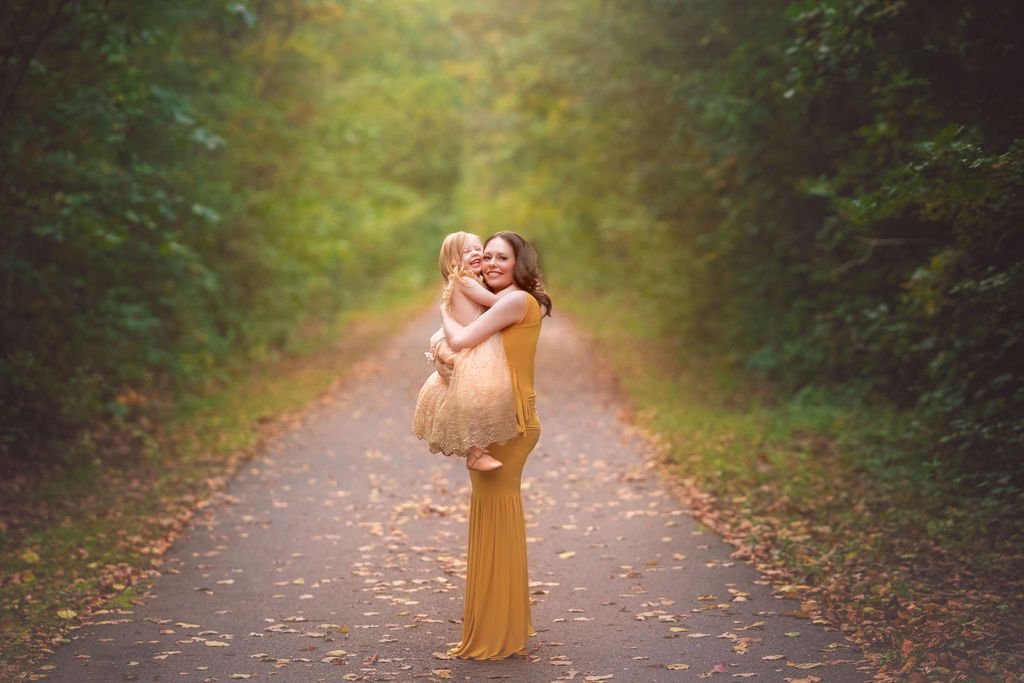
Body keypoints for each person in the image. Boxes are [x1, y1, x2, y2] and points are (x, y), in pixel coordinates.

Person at [439, 231, 552, 660]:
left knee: (499, 521)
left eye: (501, 257)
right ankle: (497, 627)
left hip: (512, 426)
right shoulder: (502, 301)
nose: (491, 264)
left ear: (519, 262)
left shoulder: (519, 301)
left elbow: (461, 340)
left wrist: (444, 308)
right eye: (486, 257)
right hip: (495, 423)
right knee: (490, 519)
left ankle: (498, 635)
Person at [413, 231, 519, 471]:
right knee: (478, 396)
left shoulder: (470, 280)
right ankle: (475, 452)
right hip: (470, 347)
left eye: (477, 248)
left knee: (475, 397)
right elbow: (497, 304)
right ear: (454, 263)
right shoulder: (465, 281)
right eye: (467, 251)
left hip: (467, 342)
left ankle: (477, 450)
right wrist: (519, 289)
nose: (476, 253)